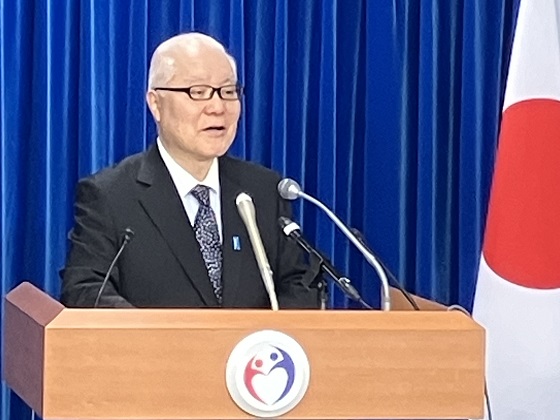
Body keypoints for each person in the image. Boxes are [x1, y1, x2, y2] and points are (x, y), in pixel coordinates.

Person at [60, 32, 319, 308]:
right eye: (198, 92)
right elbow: (86, 291)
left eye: (228, 91)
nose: (217, 107)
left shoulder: (263, 190)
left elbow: (298, 285)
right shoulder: (111, 196)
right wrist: (160, 332)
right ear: (156, 104)